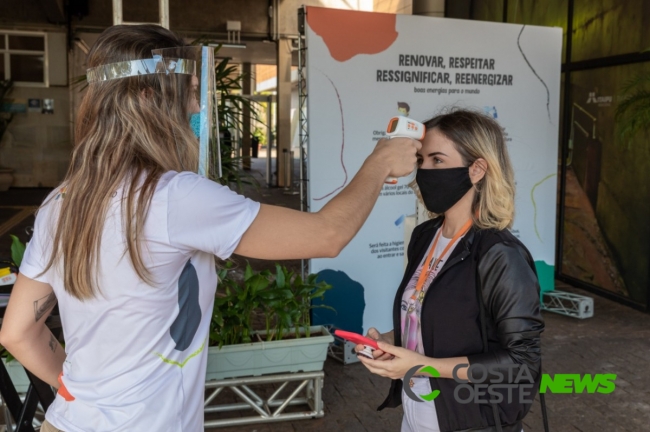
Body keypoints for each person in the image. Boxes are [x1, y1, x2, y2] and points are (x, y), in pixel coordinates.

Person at [0, 25, 419, 432]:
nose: (197, 109)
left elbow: (18, 332)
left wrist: (76, 392)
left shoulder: (63, 200)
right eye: (189, 95)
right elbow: (328, 235)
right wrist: (381, 161)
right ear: (148, 98)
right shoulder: (173, 197)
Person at [356, 109, 544, 432]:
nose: (424, 171)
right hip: (415, 420)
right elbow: (430, 321)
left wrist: (422, 365)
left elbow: (522, 364)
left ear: (477, 169)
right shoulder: (425, 236)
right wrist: (390, 343)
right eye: (421, 160)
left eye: (437, 160)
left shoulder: (500, 255)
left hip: (473, 423)